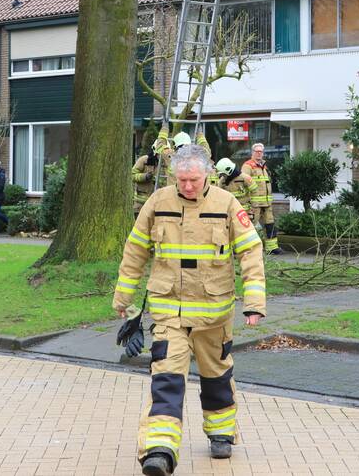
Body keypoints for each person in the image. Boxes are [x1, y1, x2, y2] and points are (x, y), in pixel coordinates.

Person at [114, 145, 265, 476]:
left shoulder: (227, 204)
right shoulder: (158, 202)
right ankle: (159, 449)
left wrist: (254, 303)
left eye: (193, 180)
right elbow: (136, 249)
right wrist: (123, 297)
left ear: (208, 174)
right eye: (181, 180)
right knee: (166, 380)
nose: (187, 187)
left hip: (214, 314)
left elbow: (251, 252)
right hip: (169, 314)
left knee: (217, 377)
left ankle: (221, 432)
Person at [241, 143, 280, 254]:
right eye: (257, 151)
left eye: (261, 151)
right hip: (254, 204)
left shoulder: (264, 166)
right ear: (252, 152)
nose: (259, 153)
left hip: (266, 203)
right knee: (250, 225)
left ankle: (272, 248)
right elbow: (243, 183)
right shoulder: (247, 166)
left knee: (270, 224)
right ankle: (248, 248)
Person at [132, 148, 160, 218]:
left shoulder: (166, 163)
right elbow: (132, 175)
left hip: (157, 203)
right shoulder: (144, 160)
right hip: (140, 204)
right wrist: (145, 177)